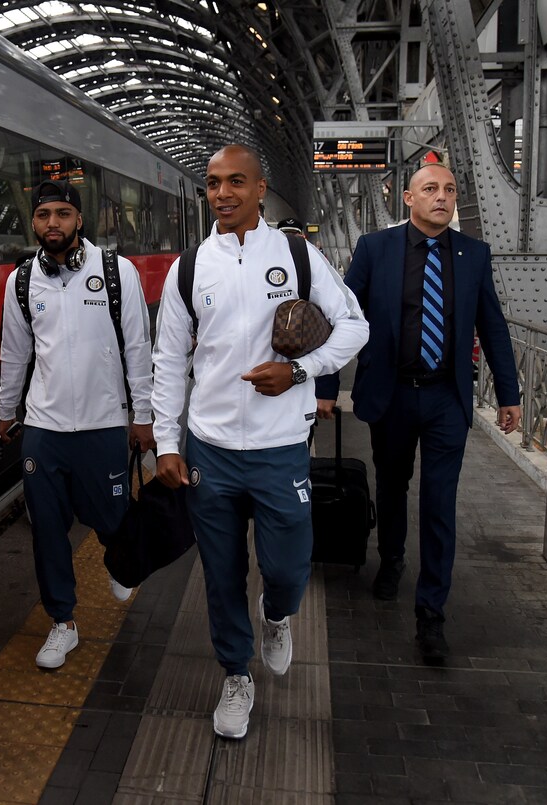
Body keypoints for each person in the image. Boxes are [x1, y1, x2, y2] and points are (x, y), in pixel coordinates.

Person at [151, 145, 368, 739]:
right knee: (221, 574)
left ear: (260, 188)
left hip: (280, 447)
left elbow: (355, 325)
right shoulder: (190, 268)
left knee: (288, 566)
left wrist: (299, 372)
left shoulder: (297, 255)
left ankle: (277, 615)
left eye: (236, 182)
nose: (222, 194)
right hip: (211, 447)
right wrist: (166, 442)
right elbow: (168, 359)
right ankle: (235, 674)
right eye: (213, 183)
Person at [316, 163, 521, 661]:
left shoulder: (473, 255)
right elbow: (341, 318)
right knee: (392, 485)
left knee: (439, 501)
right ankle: (391, 559)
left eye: (449, 190)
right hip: (393, 394)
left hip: (446, 396)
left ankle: (431, 613)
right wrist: (324, 386)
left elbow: (492, 326)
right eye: (430, 189)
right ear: (408, 199)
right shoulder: (375, 249)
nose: (442, 197)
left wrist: (509, 394)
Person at [0, 179, 155, 670]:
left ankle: (120, 561)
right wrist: (6, 409)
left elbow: (138, 347)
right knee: (46, 528)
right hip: (44, 427)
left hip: (103, 423)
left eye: (62, 214)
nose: (53, 224)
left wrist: (143, 416)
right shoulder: (22, 281)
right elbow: (14, 351)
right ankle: (62, 622)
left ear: (79, 220)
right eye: (44, 215)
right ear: (34, 222)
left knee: (112, 519)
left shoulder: (116, 272)